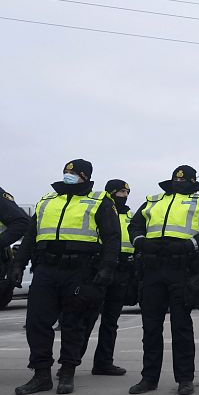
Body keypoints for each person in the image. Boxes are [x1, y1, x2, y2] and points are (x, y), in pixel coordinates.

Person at [14, 160, 120, 395]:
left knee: (74, 323)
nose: (67, 175)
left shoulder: (99, 201)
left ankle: (67, 372)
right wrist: (18, 263)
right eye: (66, 171)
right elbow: (31, 235)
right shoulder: (47, 200)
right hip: (46, 269)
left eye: (73, 173)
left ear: (85, 176)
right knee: (37, 322)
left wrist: (107, 268)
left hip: (80, 271)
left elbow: (113, 238)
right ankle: (41, 375)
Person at [128, 165, 199, 395]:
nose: (179, 182)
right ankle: (149, 378)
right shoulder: (153, 200)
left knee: (181, 327)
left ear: (191, 182)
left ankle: (185, 379)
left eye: (183, 180)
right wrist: (140, 241)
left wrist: (189, 245)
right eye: (176, 179)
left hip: (181, 268)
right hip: (152, 267)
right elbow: (135, 225)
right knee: (150, 327)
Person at [83, 179, 137, 376]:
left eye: (127, 192)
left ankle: (103, 362)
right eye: (121, 191)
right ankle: (71, 360)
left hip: (122, 270)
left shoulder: (131, 216)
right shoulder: (100, 211)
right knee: (87, 317)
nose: (125, 195)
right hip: (99, 268)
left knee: (110, 321)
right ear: (112, 192)